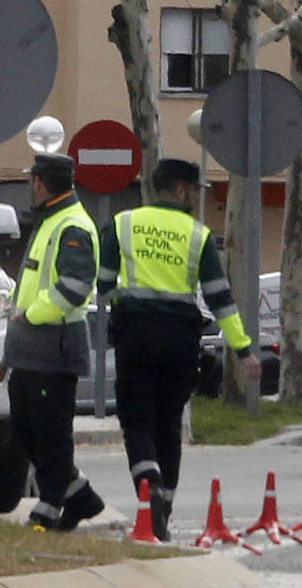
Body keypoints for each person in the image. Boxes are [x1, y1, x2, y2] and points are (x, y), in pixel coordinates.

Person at [97, 157, 261, 541]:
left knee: (136, 422)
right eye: (194, 192)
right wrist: (243, 350)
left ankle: (148, 484)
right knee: (169, 426)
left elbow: (103, 284)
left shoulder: (123, 224)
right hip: (179, 341)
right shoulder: (198, 235)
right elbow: (220, 298)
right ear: (182, 189)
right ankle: (163, 512)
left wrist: (126, 301)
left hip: (135, 336)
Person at [2, 152, 105, 531]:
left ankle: (49, 504)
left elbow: (74, 289)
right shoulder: (52, 220)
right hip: (33, 348)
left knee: (49, 434)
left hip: (54, 346)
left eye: (32, 180)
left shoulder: (71, 225)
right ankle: (80, 496)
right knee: (26, 429)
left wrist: (30, 314)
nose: (30, 186)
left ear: (41, 183)